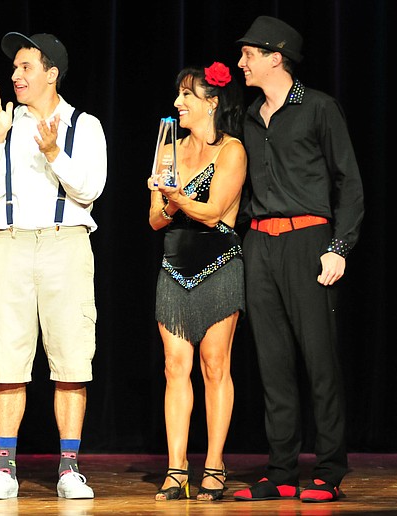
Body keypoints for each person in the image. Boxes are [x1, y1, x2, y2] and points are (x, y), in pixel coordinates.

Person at [0, 32, 107, 500]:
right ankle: (5, 469)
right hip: (10, 245)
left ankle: (69, 467)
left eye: (25, 67)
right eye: (14, 68)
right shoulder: (3, 123)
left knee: (70, 357)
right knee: (7, 358)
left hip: (65, 245)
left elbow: (89, 188)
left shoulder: (84, 126)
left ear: (52, 73)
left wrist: (53, 153)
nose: (15, 76)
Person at [231, 16, 364, 503]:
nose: (241, 61)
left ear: (275, 56)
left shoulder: (319, 109)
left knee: (319, 360)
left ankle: (328, 469)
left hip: (309, 241)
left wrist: (340, 246)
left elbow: (349, 181)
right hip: (260, 244)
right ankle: (281, 470)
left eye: (249, 54)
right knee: (273, 362)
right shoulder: (248, 115)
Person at [148, 62, 247, 502]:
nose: (177, 103)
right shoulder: (167, 149)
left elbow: (212, 211)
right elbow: (154, 220)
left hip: (218, 262)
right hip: (174, 265)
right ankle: (175, 468)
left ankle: (214, 463)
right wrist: (167, 204)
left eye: (187, 95)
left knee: (214, 364)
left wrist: (175, 196)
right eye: (177, 94)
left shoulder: (232, 150)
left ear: (211, 102)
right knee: (175, 367)